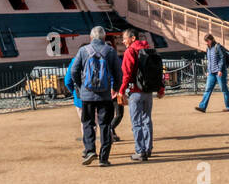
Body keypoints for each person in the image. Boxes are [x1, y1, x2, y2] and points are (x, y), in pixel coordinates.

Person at [68, 26, 122, 166]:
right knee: (105, 125)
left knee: (88, 123)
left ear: (91, 38)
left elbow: (74, 71)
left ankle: (90, 150)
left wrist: (81, 86)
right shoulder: (110, 51)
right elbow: (118, 73)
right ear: (104, 38)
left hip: (87, 96)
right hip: (105, 95)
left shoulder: (83, 51)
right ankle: (104, 158)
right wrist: (115, 88)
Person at [117, 28, 165, 161]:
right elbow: (158, 70)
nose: (123, 41)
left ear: (132, 38)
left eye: (125, 38)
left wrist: (122, 90)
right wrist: (161, 88)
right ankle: (148, 149)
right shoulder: (149, 50)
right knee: (147, 120)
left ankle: (140, 151)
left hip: (135, 92)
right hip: (148, 90)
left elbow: (127, 74)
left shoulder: (130, 51)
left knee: (136, 122)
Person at [194, 34, 229, 112]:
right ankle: (202, 107)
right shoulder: (208, 49)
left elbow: (222, 58)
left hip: (219, 72)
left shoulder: (217, 47)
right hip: (212, 72)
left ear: (211, 40)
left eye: (207, 41)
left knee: (224, 89)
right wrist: (208, 71)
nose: (206, 43)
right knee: (207, 89)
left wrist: (220, 70)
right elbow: (209, 61)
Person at [64, 61, 82, 141]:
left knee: (85, 123)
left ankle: (89, 148)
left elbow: (67, 81)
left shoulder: (75, 61)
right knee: (102, 121)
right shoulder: (99, 56)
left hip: (80, 97)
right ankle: (108, 140)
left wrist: (74, 92)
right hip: (99, 95)